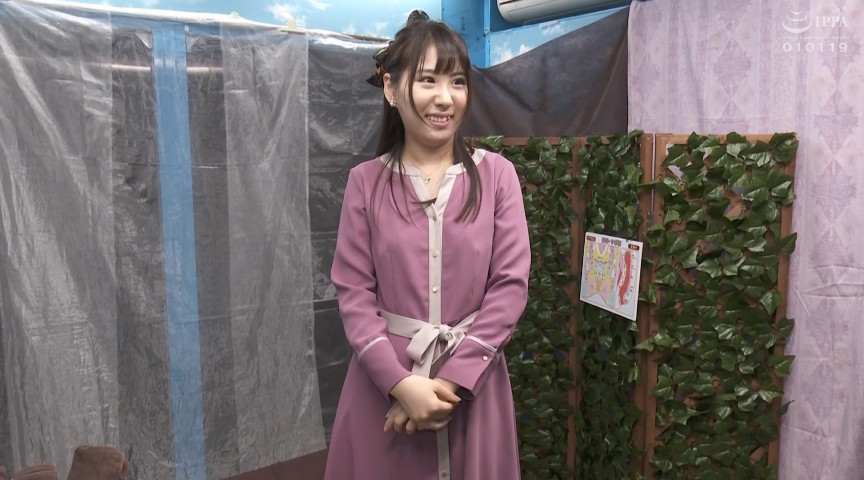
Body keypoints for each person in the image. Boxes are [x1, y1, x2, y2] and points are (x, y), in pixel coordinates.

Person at [324, 10, 530, 480]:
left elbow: (510, 286)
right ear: (391, 88)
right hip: (382, 387)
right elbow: (354, 293)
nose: (445, 98)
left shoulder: (498, 176)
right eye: (428, 80)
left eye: (457, 82)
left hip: (475, 387)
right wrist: (400, 385)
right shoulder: (365, 183)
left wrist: (450, 383)